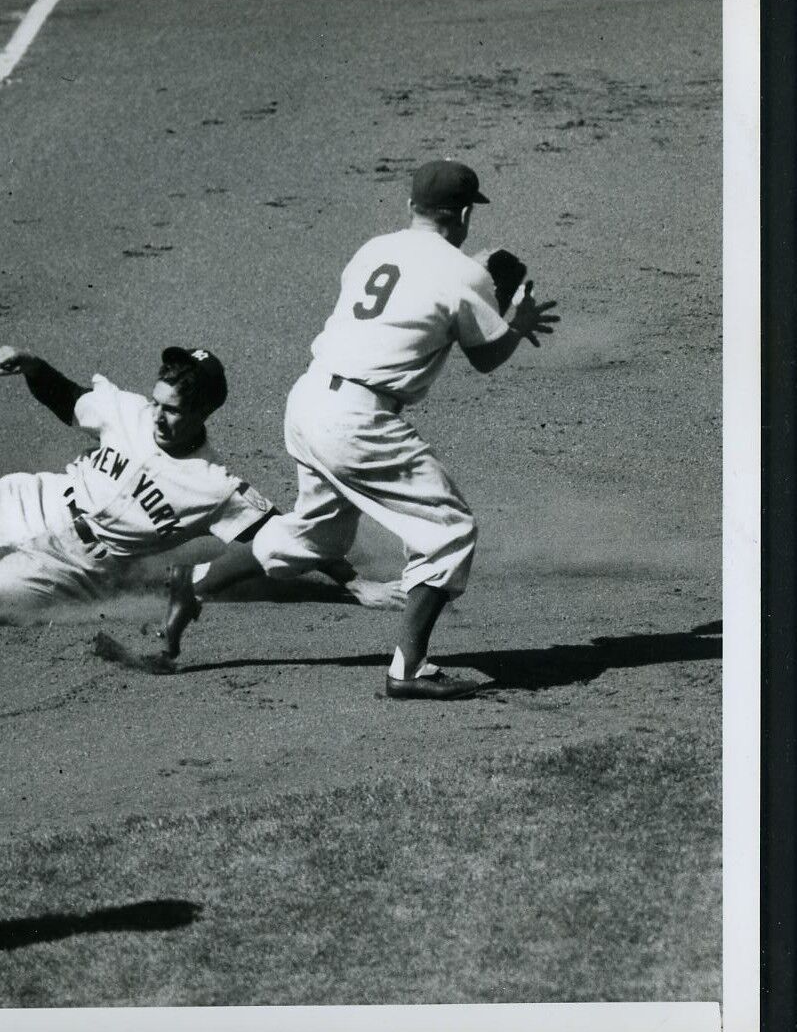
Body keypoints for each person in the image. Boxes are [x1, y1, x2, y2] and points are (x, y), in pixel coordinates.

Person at [160, 160, 559, 699]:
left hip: (306, 402)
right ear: (464, 214)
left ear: (410, 206)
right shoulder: (463, 274)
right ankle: (409, 670)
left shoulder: (373, 250)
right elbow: (486, 358)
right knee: (450, 530)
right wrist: (515, 323)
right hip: (357, 420)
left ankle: (194, 584)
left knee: (317, 536)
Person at [0, 344, 400, 620]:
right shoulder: (126, 411)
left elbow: (289, 536)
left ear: (204, 411)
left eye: (175, 410)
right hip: (34, 501)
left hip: (76, 565)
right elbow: (69, 400)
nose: (160, 416)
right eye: (158, 402)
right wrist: (31, 364)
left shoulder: (215, 488)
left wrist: (353, 585)